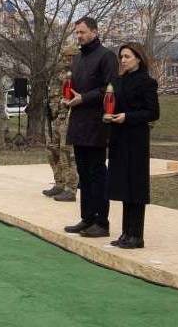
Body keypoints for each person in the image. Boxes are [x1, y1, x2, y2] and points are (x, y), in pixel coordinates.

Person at [63, 17, 118, 238]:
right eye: (77, 33)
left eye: (82, 32)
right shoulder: (77, 59)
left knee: (97, 174)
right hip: (78, 122)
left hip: (96, 123)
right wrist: (69, 98)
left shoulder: (106, 56)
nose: (79, 36)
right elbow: (73, 87)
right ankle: (87, 218)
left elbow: (111, 88)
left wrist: (84, 98)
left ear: (95, 32)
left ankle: (101, 222)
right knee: (83, 174)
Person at [105, 43, 159, 249]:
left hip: (136, 138)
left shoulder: (147, 82)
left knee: (135, 186)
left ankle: (136, 235)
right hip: (118, 137)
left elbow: (153, 112)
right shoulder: (118, 81)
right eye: (122, 56)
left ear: (138, 58)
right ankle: (126, 232)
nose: (123, 60)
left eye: (127, 56)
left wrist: (127, 117)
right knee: (123, 185)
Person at [43, 41, 79, 203]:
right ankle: (59, 183)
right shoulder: (57, 73)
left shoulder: (77, 74)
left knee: (67, 153)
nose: (66, 59)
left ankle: (70, 189)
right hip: (54, 117)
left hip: (68, 118)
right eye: (64, 56)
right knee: (52, 151)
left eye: (70, 56)